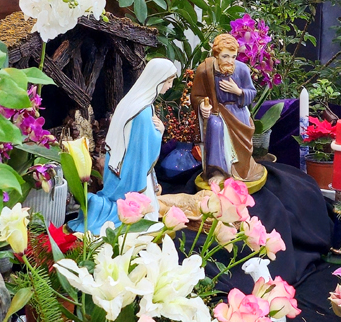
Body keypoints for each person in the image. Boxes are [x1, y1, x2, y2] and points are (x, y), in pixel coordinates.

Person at [82, 58, 181, 233]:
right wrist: (160, 132)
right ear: (158, 80)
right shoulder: (143, 111)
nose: (170, 86)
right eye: (168, 81)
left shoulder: (132, 102)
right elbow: (144, 148)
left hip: (120, 165)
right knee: (145, 213)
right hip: (133, 171)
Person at [189, 33, 258, 184]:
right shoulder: (205, 70)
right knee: (215, 125)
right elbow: (196, 96)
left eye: (233, 57)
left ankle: (240, 170)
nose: (230, 61)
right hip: (216, 111)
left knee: (242, 145)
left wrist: (238, 92)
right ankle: (218, 171)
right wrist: (202, 105)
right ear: (216, 54)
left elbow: (252, 93)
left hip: (238, 113)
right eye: (225, 56)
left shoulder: (242, 69)